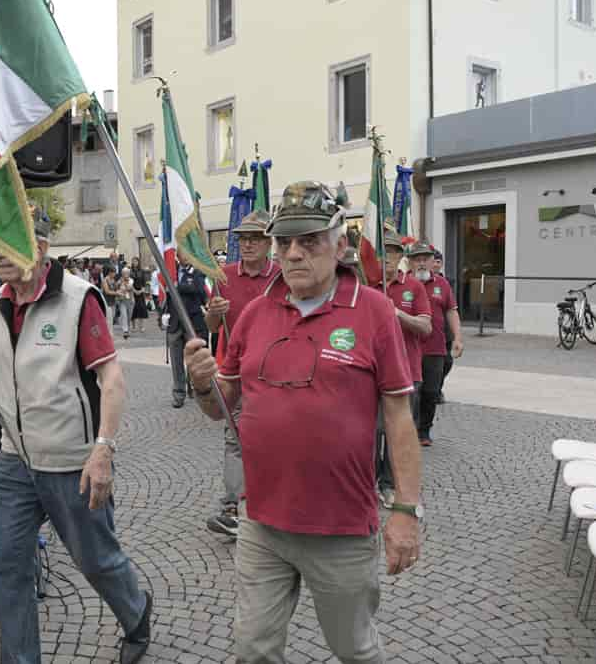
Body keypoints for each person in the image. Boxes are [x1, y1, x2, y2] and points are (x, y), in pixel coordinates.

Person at [184, 181, 422, 664]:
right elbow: (221, 410)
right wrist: (203, 384)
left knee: (354, 649)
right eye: (284, 242)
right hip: (262, 522)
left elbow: (398, 417)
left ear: (339, 244)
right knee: (253, 648)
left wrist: (406, 511)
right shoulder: (254, 314)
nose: (294, 253)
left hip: (341, 528)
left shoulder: (373, 312)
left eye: (309, 240)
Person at [0, 212, 152, 664]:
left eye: (7, 241)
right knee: (6, 565)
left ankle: (136, 614)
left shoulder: (79, 299)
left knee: (95, 560)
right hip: (15, 460)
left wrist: (103, 450)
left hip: (70, 460)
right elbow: (2, 380)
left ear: (39, 247)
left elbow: (111, 379)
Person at [202, 211, 279, 537]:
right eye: (242, 239)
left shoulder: (281, 276)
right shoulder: (223, 277)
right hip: (235, 372)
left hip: (276, 373)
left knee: (275, 438)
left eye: (254, 239)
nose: (247, 244)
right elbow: (212, 329)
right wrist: (213, 315)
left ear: (268, 243)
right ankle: (233, 506)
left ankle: (273, 502)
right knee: (234, 438)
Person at [379, 232, 432, 505]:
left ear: (400, 257)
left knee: (396, 433)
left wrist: (397, 313)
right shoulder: (366, 286)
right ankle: (368, 481)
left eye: (391, 251)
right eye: (381, 250)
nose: (386, 256)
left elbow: (426, 327)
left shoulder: (414, 287)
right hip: (370, 372)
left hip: (406, 371)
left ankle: (388, 484)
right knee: (369, 431)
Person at [408, 241, 463, 447]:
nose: (421, 263)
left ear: (433, 261)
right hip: (408, 350)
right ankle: (410, 430)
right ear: (410, 262)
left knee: (431, 391)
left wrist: (457, 337)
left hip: (435, 348)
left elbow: (451, 311)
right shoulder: (402, 283)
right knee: (412, 393)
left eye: (425, 259)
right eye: (417, 259)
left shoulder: (442, 284)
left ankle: (424, 431)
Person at [166, 254, 209, 408]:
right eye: (182, 254)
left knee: (195, 359)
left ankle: (194, 386)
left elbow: (198, 288)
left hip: (193, 323)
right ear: (177, 256)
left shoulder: (197, 272)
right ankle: (178, 393)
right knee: (176, 361)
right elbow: (166, 295)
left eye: (187, 254)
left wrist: (177, 286)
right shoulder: (171, 272)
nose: (185, 257)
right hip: (175, 322)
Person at [432, 249, 454, 403]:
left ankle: (438, 387)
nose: (436, 265)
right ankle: (435, 390)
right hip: (432, 333)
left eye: (438, 262)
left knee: (447, 362)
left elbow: (452, 308)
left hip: (446, 332)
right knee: (436, 365)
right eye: (434, 261)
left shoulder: (445, 283)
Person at [131, 257, 149, 333]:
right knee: (133, 309)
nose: (135, 263)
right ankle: (134, 327)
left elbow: (145, 283)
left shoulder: (142, 271)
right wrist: (134, 290)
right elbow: (128, 281)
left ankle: (141, 326)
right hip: (132, 291)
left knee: (141, 309)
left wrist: (142, 290)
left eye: (136, 261)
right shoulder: (130, 271)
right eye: (133, 261)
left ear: (138, 262)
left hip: (141, 292)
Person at [118, 266, 135, 339]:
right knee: (124, 315)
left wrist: (124, 284)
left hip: (130, 300)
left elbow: (129, 288)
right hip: (122, 300)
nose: (125, 274)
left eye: (127, 273)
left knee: (129, 316)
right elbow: (118, 287)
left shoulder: (131, 280)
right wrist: (121, 283)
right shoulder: (119, 281)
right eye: (124, 273)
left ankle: (128, 328)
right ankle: (125, 331)